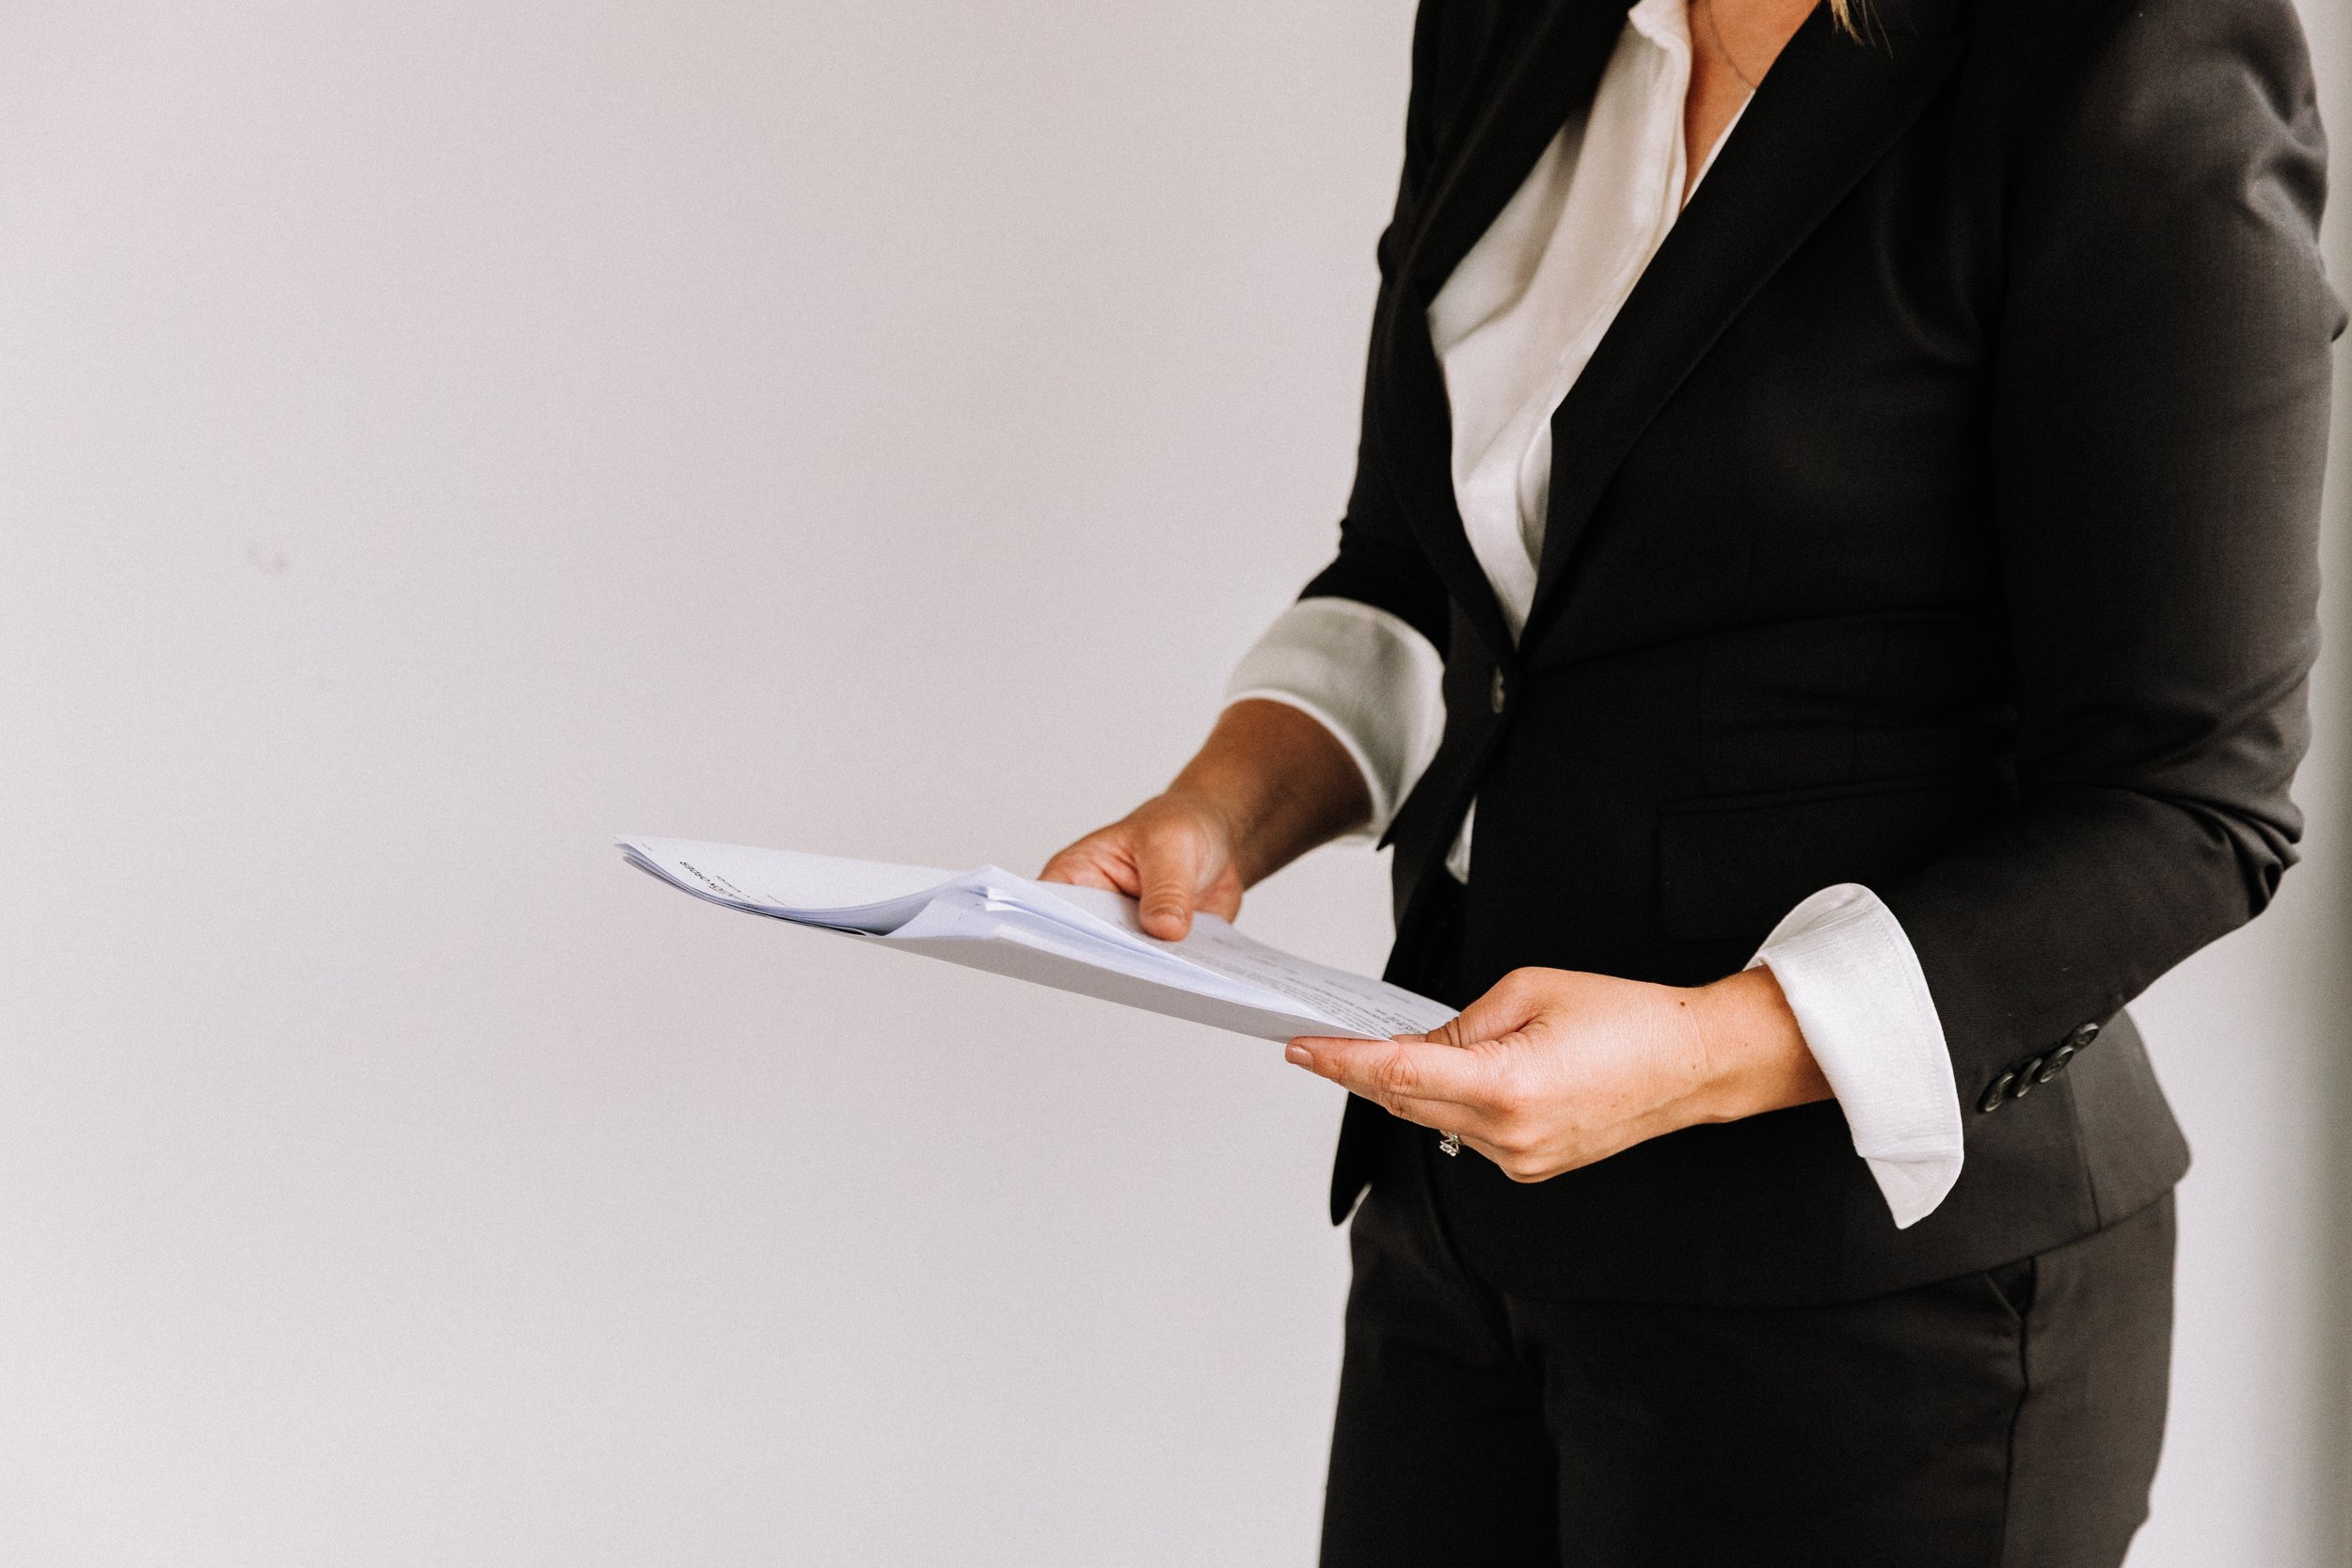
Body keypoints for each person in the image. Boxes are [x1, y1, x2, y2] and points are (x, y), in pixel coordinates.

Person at [1041, 0, 2338, 1560]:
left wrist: (1705, 1047)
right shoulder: (1509, 23)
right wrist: (1220, 809)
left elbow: (2190, 799)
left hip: (1880, 1308)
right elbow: (1423, 566)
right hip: (1465, 1242)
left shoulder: (2130, 52)